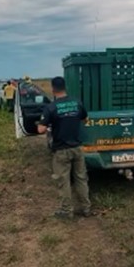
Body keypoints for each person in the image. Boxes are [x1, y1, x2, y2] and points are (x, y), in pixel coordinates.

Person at [37, 76, 92, 218]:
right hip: (77, 148)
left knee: (64, 181)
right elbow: (86, 119)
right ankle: (86, 208)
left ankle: (67, 211)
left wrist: (44, 122)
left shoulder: (51, 107)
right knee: (81, 178)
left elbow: (41, 130)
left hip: (61, 150)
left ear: (53, 89)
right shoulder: (77, 103)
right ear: (65, 87)